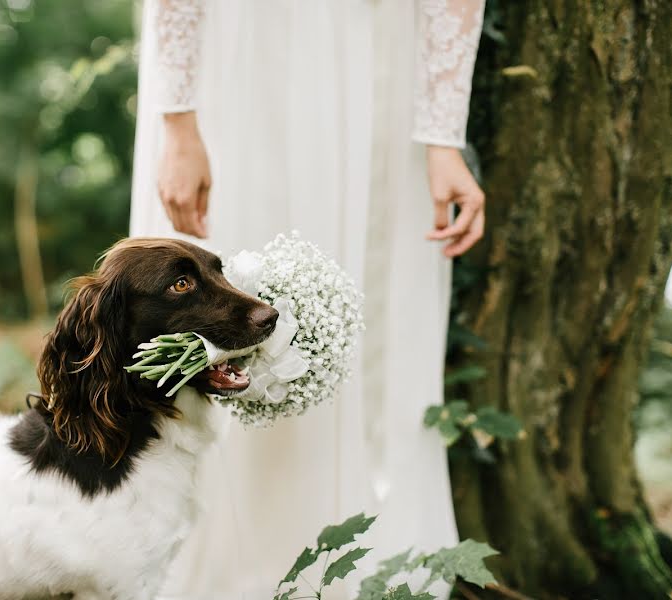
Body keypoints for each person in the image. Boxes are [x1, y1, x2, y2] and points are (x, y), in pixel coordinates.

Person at [130, 1, 487, 598]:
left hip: (384, 70)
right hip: (237, 63)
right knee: (220, 279)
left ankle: (366, 559)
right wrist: (177, 119)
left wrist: (443, 137)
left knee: (372, 324)